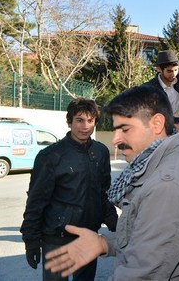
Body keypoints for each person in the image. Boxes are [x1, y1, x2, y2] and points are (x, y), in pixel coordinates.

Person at [44, 85, 179, 280]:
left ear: (157, 124)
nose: (116, 139)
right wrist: (104, 244)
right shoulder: (161, 166)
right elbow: (143, 237)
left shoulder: (166, 185)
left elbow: (141, 274)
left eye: (125, 129)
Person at [20, 98, 118, 281]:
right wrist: (31, 240)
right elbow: (36, 200)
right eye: (80, 120)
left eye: (90, 121)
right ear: (69, 121)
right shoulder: (50, 156)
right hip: (56, 238)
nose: (85, 126)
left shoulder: (101, 152)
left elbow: (102, 192)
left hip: (88, 236)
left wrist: (114, 220)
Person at [143, 49, 179, 129]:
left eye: (176, 70)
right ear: (159, 69)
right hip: (162, 131)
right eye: (169, 71)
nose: (174, 74)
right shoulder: (150, 89)